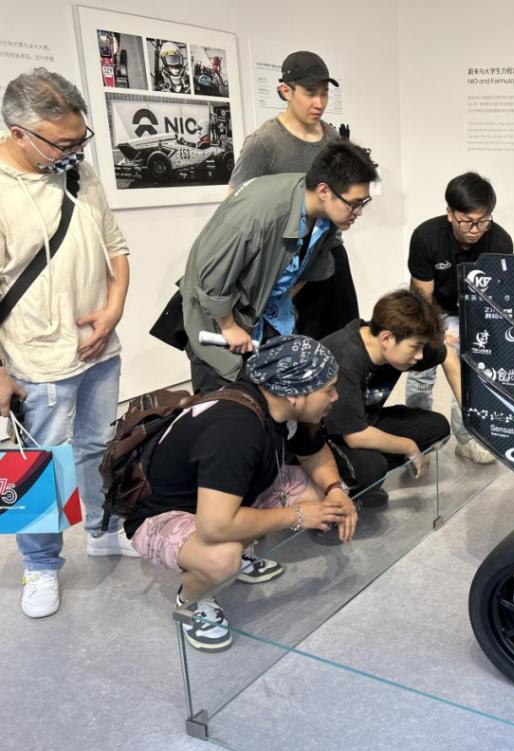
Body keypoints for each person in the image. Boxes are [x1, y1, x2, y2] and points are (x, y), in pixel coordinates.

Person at [0, 68, 135, 619]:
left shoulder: (78, 168)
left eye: (81, 139)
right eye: (62, 143)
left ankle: (102, 528)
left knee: (98, 446)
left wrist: (113, 308)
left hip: (99, 347)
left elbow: (115, 245)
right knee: (40, 465)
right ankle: (40, 565)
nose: (75, 151)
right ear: (19, 134)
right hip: (36, 356)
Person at [123, 335, 357, 651]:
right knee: (222, 558)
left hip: (223, 498)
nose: (335, 396)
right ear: (295, 395)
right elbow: (215, 526)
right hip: (164, 514)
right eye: (328, 389)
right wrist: (297, 515)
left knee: (320, 495)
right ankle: (193, 601)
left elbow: (314, 452)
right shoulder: (236, 430)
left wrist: (335, 490)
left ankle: (243, 546)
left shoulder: (277, 402)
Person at [180, 138, 378, 392]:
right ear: (324, 191)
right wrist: (228, 326)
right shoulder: (258, 213)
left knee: (276, 399)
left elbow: (311, 267)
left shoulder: (325, 217)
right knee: (229, 402)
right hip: (218, 323)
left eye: (364, 203)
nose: (359, 212)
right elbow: (209, 277)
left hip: (266, 319)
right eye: (355, 203)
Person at [228, 50, 360, 341]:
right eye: (311, 93)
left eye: (324, 94)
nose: (319, 103)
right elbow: (234, 211)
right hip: (282, 265)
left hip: (328, 257)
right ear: (286, 91)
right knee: (291, 352)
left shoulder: (332, 140)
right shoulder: (264, 144)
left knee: (344, 343)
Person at [405, 172, 513, 465]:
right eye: (467, 221)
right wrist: (437, 333)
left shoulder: (500, 242)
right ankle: (417, 440)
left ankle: (467, 439)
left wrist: (471, 334)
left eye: (483, 220)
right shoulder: (426, 237)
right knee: (420, 369)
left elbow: (494, 298)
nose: (475, 229)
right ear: (450, 214)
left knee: (470, 374)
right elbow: (422, 298)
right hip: (433, 309)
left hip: (474, 311)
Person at [321, 290, 457, 504]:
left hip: (364, 420)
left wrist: (472, 417)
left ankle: (364, 477)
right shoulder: (347, 359)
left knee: (437, 427)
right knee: (372, 468)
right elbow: (354, 436)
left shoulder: (395, 341)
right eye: (416, 347)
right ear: (386, 338)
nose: (420, 356)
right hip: (327, 436)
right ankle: (335, 487)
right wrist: (408, 447)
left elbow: (448, 355)